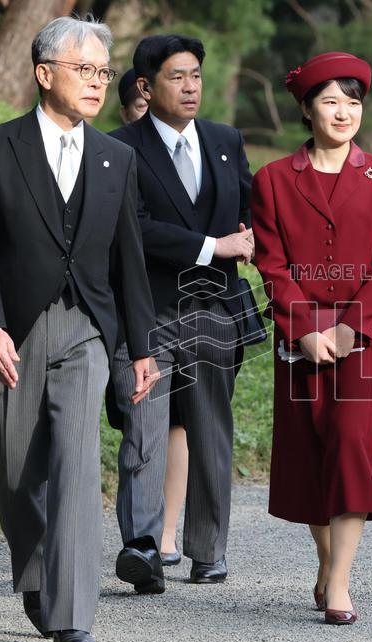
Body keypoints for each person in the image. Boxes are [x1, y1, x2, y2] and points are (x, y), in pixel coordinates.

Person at [0, 16, 158, 642]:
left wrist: (141, 348)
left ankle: (72, 616)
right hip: (13, 329)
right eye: (83, 69)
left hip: (88, 329)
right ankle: (39, 572)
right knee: (17, 473)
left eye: (103, 72)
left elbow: (129, 259)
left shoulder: (117, 159)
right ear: (45, 74)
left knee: (76, 462)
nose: (98, 82)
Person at [251, 52, 372, 626]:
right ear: (306, 109)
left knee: (348, 442)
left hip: (370, 333)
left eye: (353, 102)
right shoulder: (272, 179)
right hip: (299, 336)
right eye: (331, 101)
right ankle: (326, 561)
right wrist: (305, 329)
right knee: (309, 451)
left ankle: (339, 582)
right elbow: (272, 265)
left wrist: (346, 329)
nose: (344, 112)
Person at [107, 33, 253, 588]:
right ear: (146, 87)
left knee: (211, 430)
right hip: (146, 313)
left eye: (196, 75)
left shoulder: (225, 140)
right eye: (177, 77)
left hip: (214, 312)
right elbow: (133, 228)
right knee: (143, 432)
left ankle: (208, 549)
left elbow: (249, 212)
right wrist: (214, 246)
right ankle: (142, 548)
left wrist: (252, 238)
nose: (191, 87)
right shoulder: (119, 148)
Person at [116, 64, 190, 572]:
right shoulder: (115, 154)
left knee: (175, 423)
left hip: (187, 303)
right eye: (140, 109)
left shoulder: (195, 152)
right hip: (129, 309)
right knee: (140, 423)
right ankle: (143, 534)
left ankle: (162, 535)